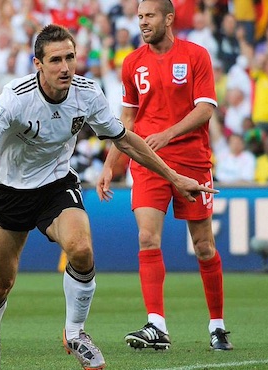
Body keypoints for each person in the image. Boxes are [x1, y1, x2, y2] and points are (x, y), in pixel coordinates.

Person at [0, 24, 216, 370]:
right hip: (8, 193)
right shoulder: (15, 99)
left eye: (70, 57)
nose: (65, 67)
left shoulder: (87, 93)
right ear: (38, 64)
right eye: (56, 60)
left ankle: (75, 333)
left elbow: (124, 139)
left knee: (82, 249)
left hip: (56, 187)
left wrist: (173, 176)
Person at [97, 0, 233, 352]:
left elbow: (205, 109)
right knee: (146, 237)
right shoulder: (131, 64)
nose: (142, 22)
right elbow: (125, 124)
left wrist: (168, 134)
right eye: (139, 16)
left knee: (203, 247)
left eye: (149, 16)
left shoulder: (195, 55)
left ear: (168, 18)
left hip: (191, 160)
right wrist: (111, 165)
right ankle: (156, 324)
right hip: (147, 162)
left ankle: (217, 325)